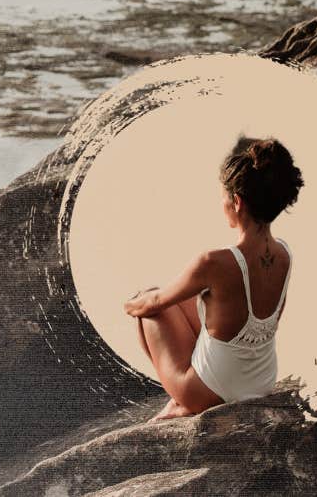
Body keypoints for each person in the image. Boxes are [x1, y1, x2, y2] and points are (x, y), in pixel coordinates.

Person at [122, 135, 305, 420]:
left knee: (149, 308)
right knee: (196, 303)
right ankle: (190, 392)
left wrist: (131, 304)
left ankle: (183, 400)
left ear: (237, 202)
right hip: (261, 382)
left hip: (210, 393)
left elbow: (154, 302)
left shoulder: (214, 263)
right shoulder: (285, 254)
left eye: (223, 197)